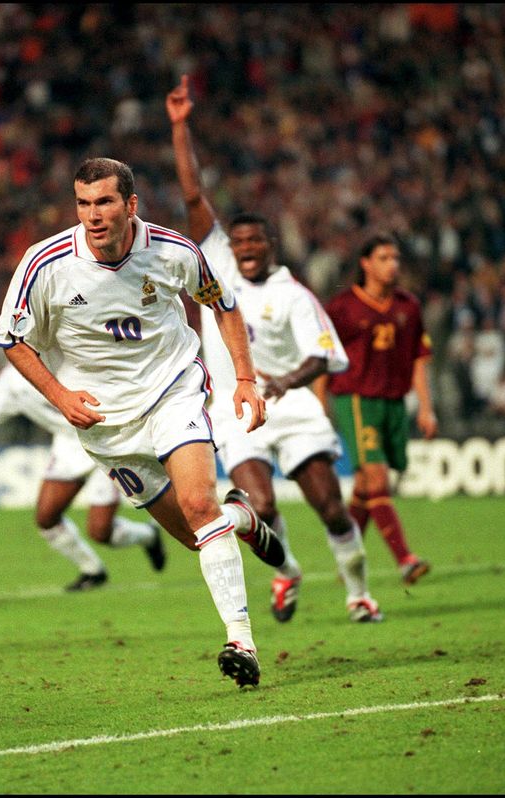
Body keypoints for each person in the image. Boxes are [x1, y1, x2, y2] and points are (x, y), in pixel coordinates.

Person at [0, 156, 285, 688]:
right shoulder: (44, 264)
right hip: (105, 423)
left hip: (172, 388)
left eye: (104, 202)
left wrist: (244, 378)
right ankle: (241, 519)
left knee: (199, 505)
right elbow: (11, 340)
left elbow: (223, 305)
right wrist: (59, 396)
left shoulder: (173, 251)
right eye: (83, 204)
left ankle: (240, 639)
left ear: (130, 204)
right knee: (202, 534)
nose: (93, 215)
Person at [166, 74, 382, 625]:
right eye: (238, 243)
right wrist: (180, 127)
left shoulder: (294, 295)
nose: (245, 250)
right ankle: (287, 570)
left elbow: (324, 354)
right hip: (235, 408)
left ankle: (358, 591)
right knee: (259, 506)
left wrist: (288, 382)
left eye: (255, 241)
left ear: (271, 245)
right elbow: (193, 194)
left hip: (292, 406)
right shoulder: (213, 260)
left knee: (330, 507)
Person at [0, 363, 166, 591]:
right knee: (46, 518)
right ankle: (92, 570)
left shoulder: (67, 357)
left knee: (100, 531)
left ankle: (148, 536)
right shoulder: (10, 381)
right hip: (68, 445)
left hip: (103, 437)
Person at [325, 234, 438, 586]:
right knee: (377, 478)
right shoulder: (343, 307)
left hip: (393, 402)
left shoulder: (409, 306)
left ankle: (348, 560)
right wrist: (318, 404)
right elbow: (322, 357)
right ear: (366, 263)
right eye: (384, 258)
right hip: (356, 399)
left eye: (396, 258)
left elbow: (420, 357)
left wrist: (426, 407)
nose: (393, 264)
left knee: (364, 487)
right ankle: (405, 559)